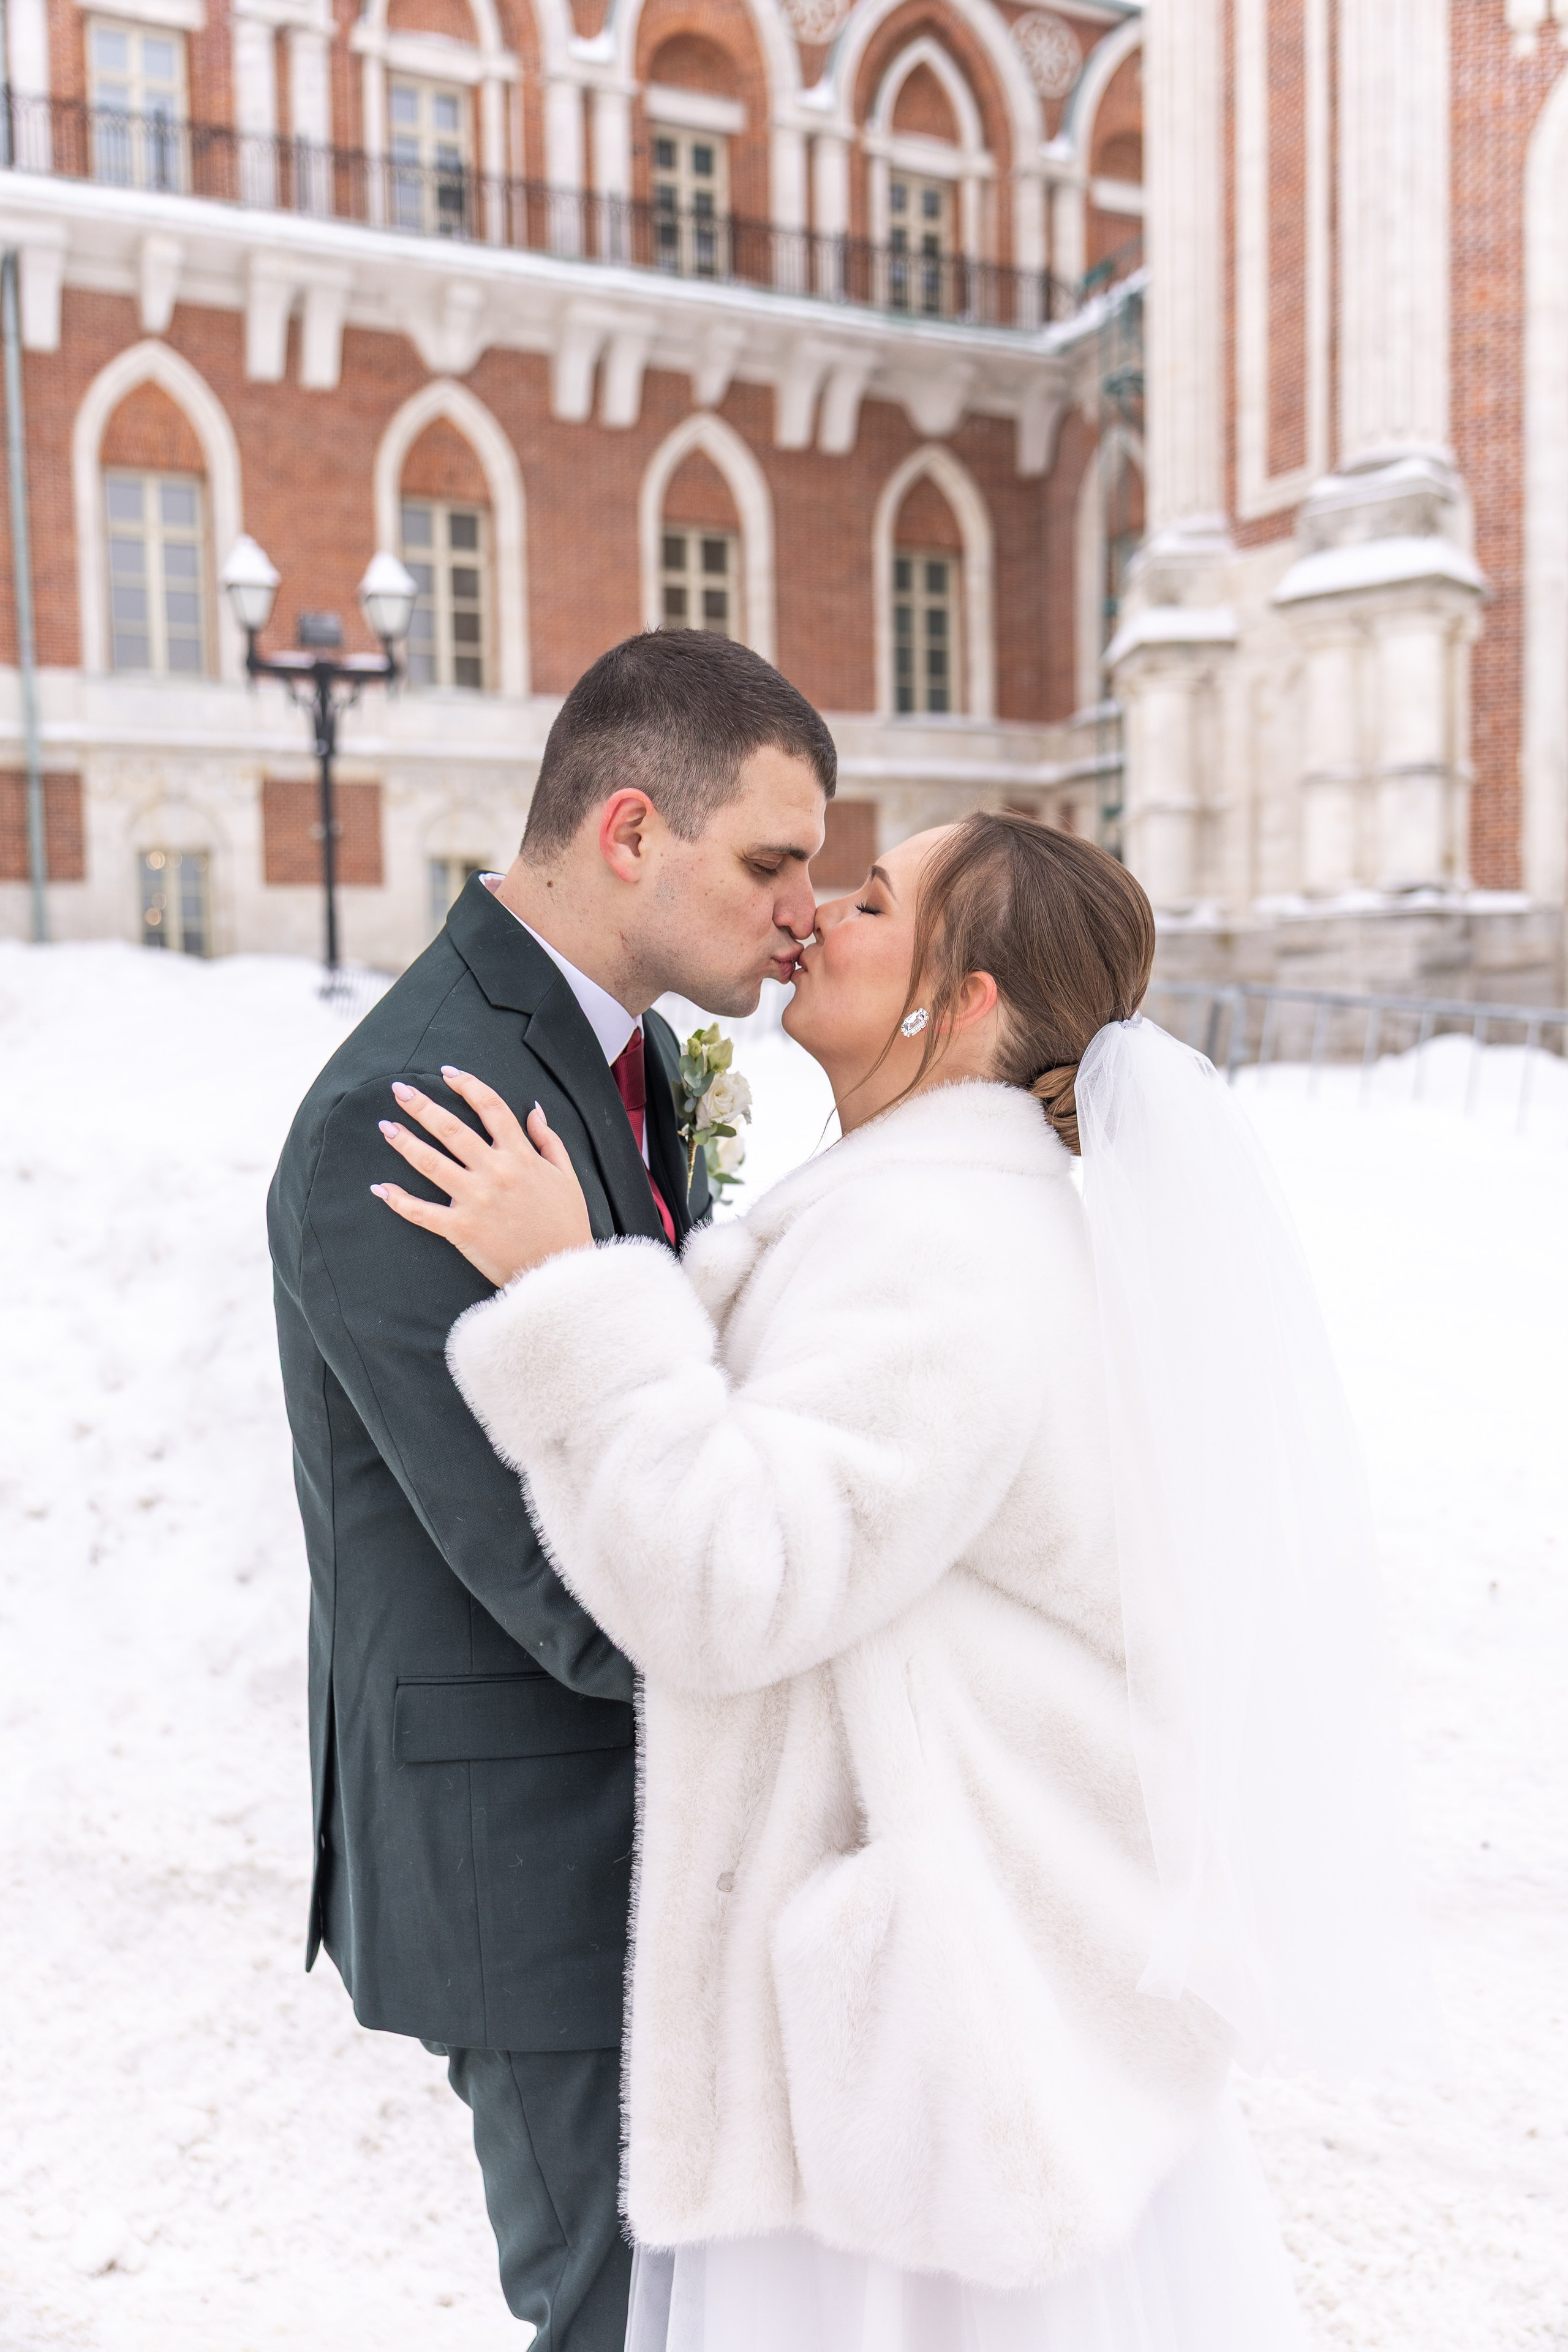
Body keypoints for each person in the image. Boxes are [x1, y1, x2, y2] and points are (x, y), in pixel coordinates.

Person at [372, 811, 1428, 2350]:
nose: (811, 918)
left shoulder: (942, 1243)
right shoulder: (922, 1209)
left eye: (869, 901)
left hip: (918, 2057)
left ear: (967, 1000)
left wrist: (568, 1294)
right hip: (923, 2016)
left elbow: (733, 1583)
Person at [266, 628, 835, 2351]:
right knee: (612, 2320)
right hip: (532, 1850)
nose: (803, 912)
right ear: (632, 834)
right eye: (772, 862)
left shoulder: (623, 1051)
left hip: (644, 1826)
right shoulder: (417, 1110)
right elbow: (563, 1577)